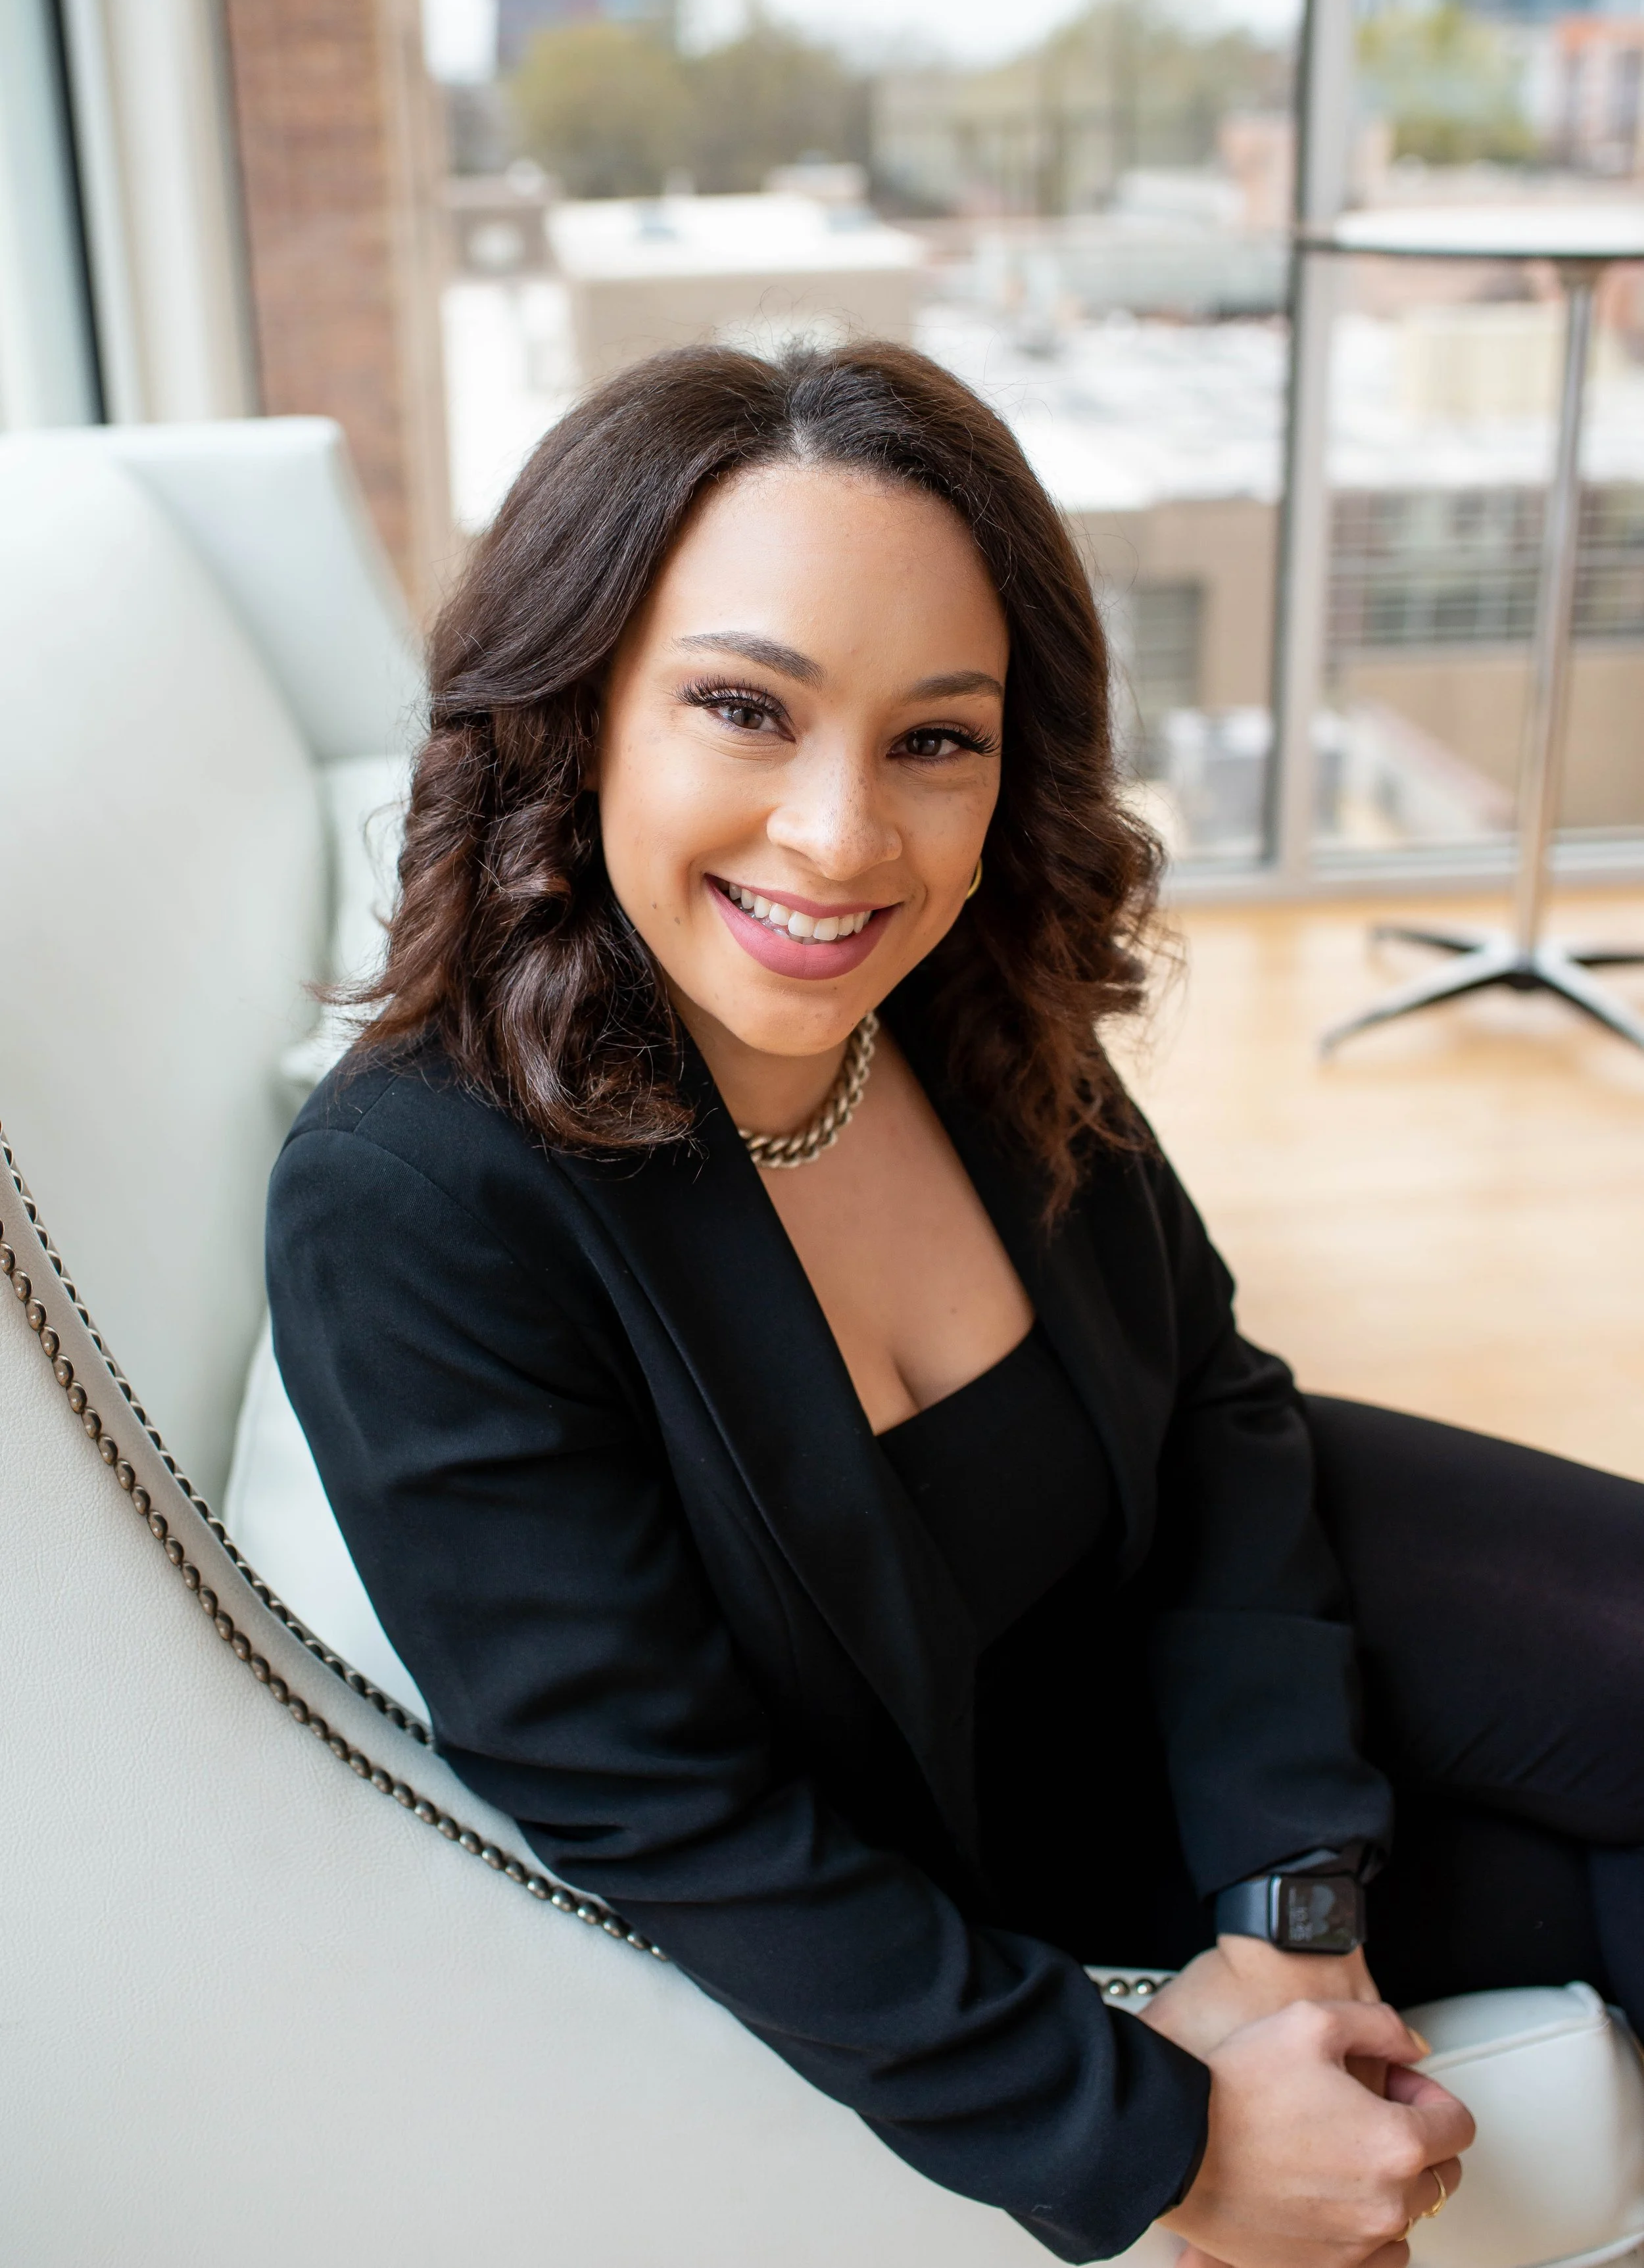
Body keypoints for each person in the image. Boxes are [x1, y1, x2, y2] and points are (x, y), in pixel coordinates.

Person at [267, 344, 1644, 2268]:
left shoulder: (957, 997)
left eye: (936, 738)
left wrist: (1291, 1907)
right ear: (573, 713)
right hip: (1001, 1810)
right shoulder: (416, 1200)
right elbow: (659, 1809)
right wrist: (1158, 2141)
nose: (843, 841)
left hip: (1202, 1634)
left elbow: (1216, 1396)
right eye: (745, 708)